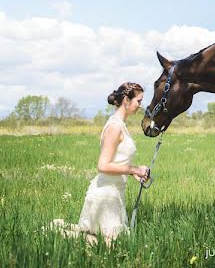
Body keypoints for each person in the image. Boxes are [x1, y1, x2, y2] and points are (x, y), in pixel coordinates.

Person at [50, 82, 149, 244]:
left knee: (115, 241)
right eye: (138, 100)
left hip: (116, 193)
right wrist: (134, 169)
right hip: (105, 195)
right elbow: (103, 166)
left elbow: (117, 161)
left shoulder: (121, 125)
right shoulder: (114, 127)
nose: (140, 105)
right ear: (126, 100)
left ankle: (61, 227)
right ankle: (54, 230)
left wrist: (133, 173)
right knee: (110, 244)